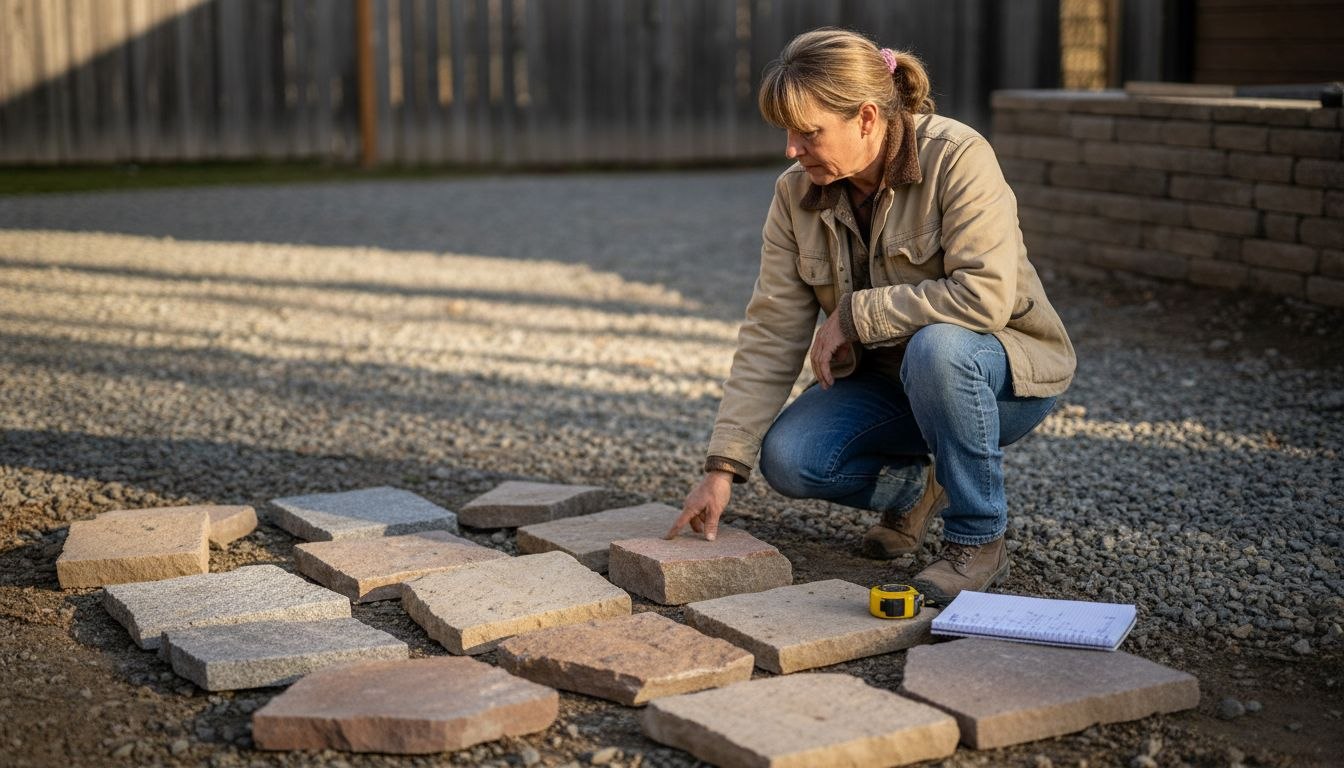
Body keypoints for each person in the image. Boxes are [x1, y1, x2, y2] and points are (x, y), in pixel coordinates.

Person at [665, 28, 1076, 604]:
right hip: (892, 388)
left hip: (1000, 377)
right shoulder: (795, 195)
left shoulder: (957, 156)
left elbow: (984, 296)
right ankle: (917, 490)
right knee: (791, 459)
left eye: (809, 133)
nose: (791, 149)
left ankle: (978, 539)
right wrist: (723, 467)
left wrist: (857, 314)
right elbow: (771, 330)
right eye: (787, 132)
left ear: (864, 117)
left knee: (939, 349)